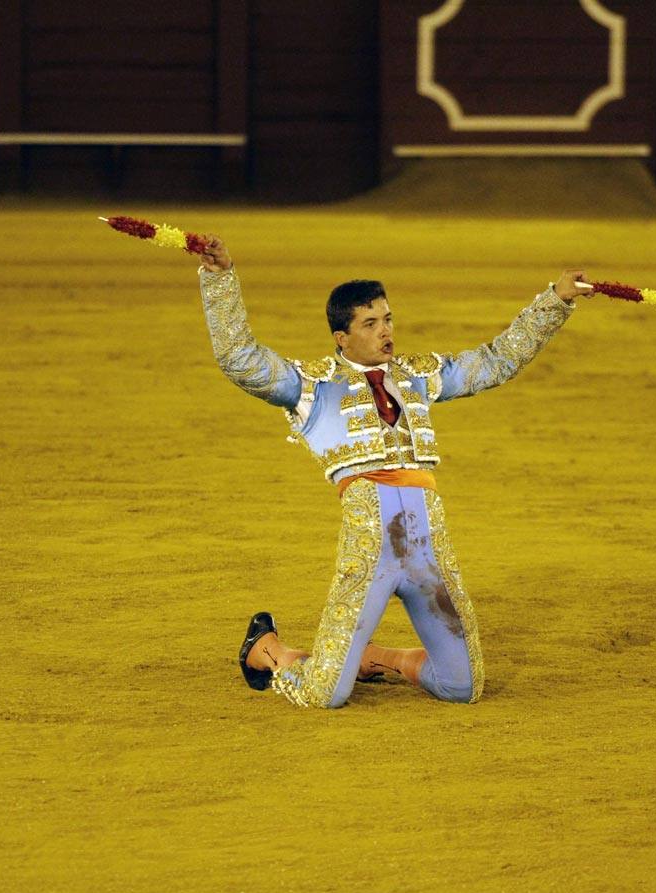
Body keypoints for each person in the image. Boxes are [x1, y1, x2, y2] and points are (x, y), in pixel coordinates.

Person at [194, 234, 590, 708]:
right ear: (343, 337)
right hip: (370, 548)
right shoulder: (311, 389)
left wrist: (556, 301)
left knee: (461, 687)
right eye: (370, 323)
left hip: (427, 542)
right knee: (325, 695)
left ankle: (375, 658)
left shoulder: (417, 376)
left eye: (388, 319)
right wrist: (220, 279)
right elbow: (240, 361)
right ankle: (269, 650)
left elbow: (496, 361)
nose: (386, 332)